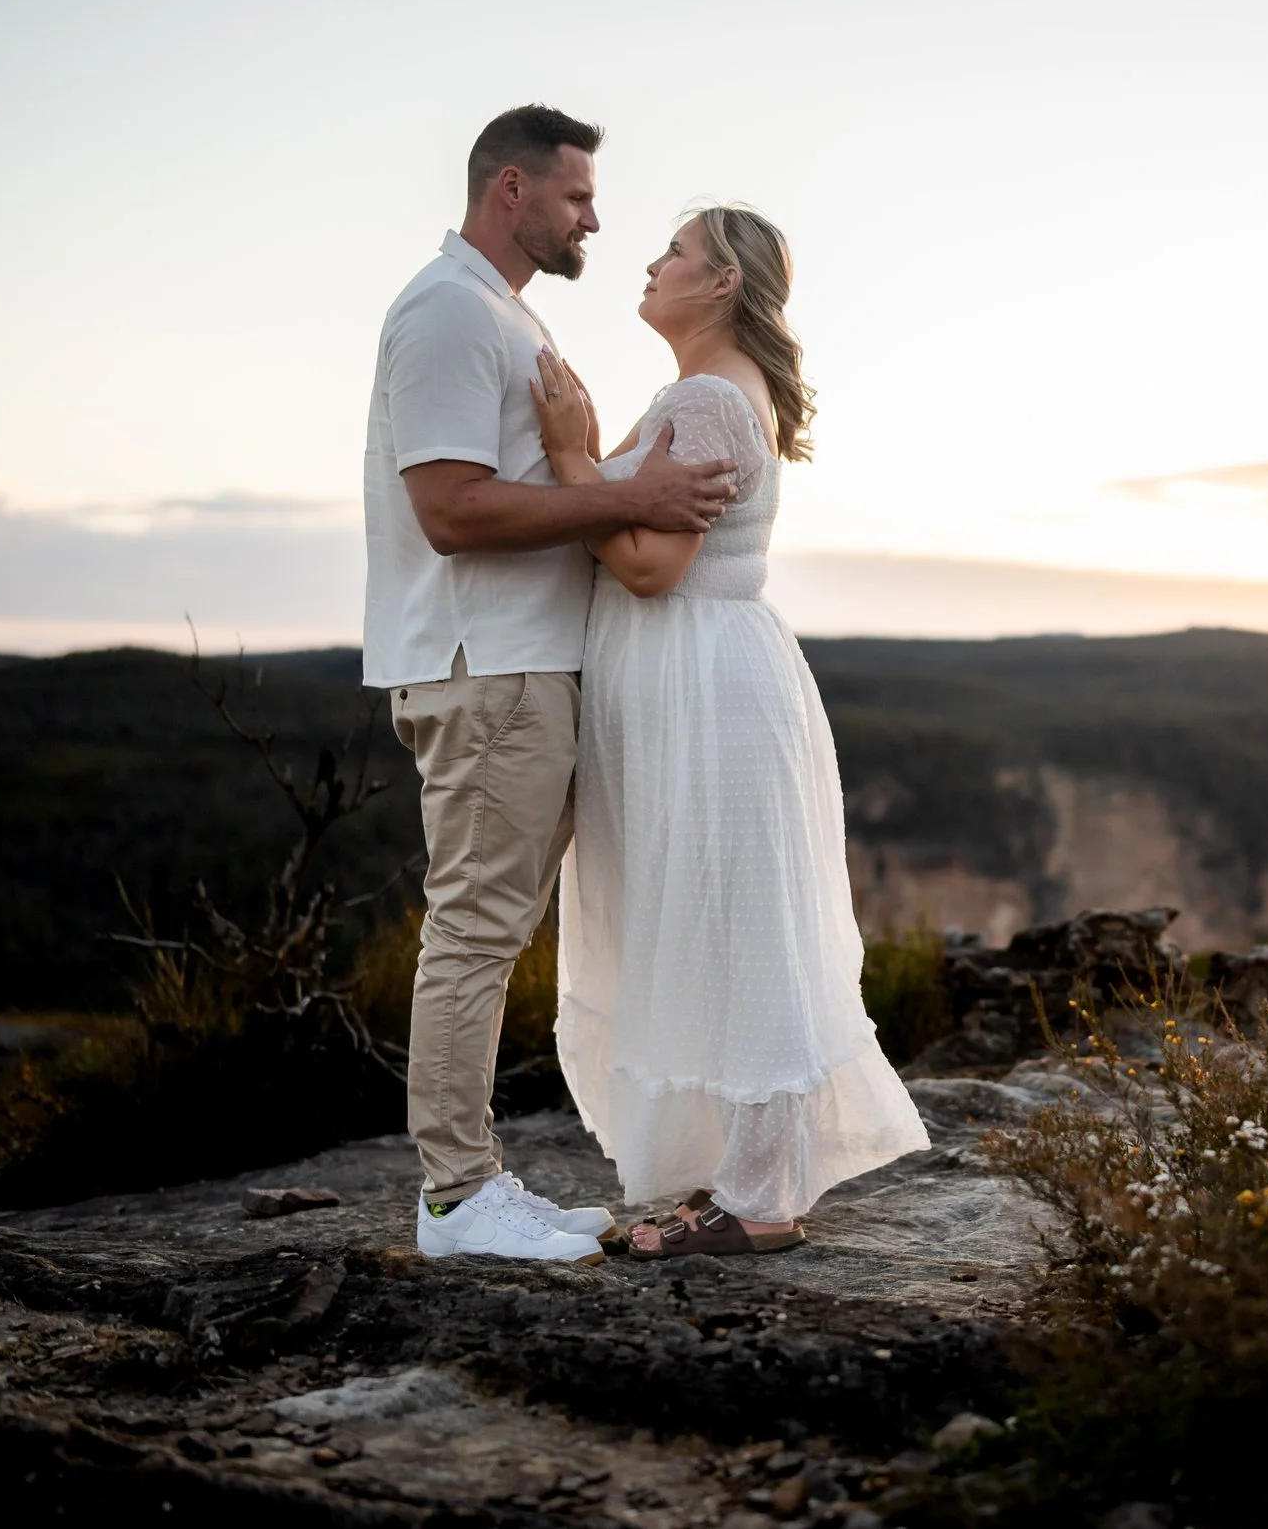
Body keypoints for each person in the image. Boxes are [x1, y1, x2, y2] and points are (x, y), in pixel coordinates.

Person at [363, 105, 738, 1263]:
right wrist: (628, 497)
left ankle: (474, 1185)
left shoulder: (498, 312)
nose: (593, 219)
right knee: (475, 930)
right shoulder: (446, 310)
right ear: (510, 190)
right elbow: (451, 510)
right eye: (577, 197)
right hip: (489, 670)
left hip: (523, 670)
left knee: (490, 926)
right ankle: (457, 1199)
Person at [534, 205, 929, 1257]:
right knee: (717, 923)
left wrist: (572, 458)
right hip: (695, 679)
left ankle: (759, 1200)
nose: (651, 264)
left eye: (673, 253)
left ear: (717, 286)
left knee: (741, 931)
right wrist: (585, 466)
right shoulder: (698, 391)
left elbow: (652, 567)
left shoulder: (708, 398)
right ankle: (737, 1178)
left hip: (702, 681)